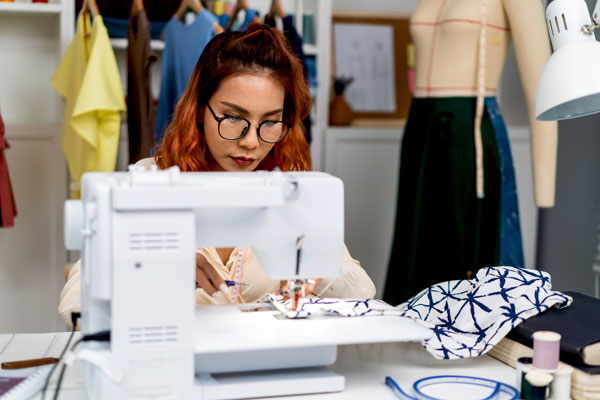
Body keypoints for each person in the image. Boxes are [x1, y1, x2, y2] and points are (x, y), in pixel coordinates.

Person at [59, 24, 376, 327]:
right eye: (233, 118)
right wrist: (156, 271)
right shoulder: (149, 182)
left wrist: (320, 270)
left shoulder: (290, 188)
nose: (251, 141)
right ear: (199, 110)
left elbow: (362, 292)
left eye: (270, 122)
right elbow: (77, 302)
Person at [383, 0, 558, 305]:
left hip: (469, 130)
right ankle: (408, 342)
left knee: (465, 258)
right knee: (414, 249)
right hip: (420, 133)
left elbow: (542, 89)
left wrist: (545, 190)